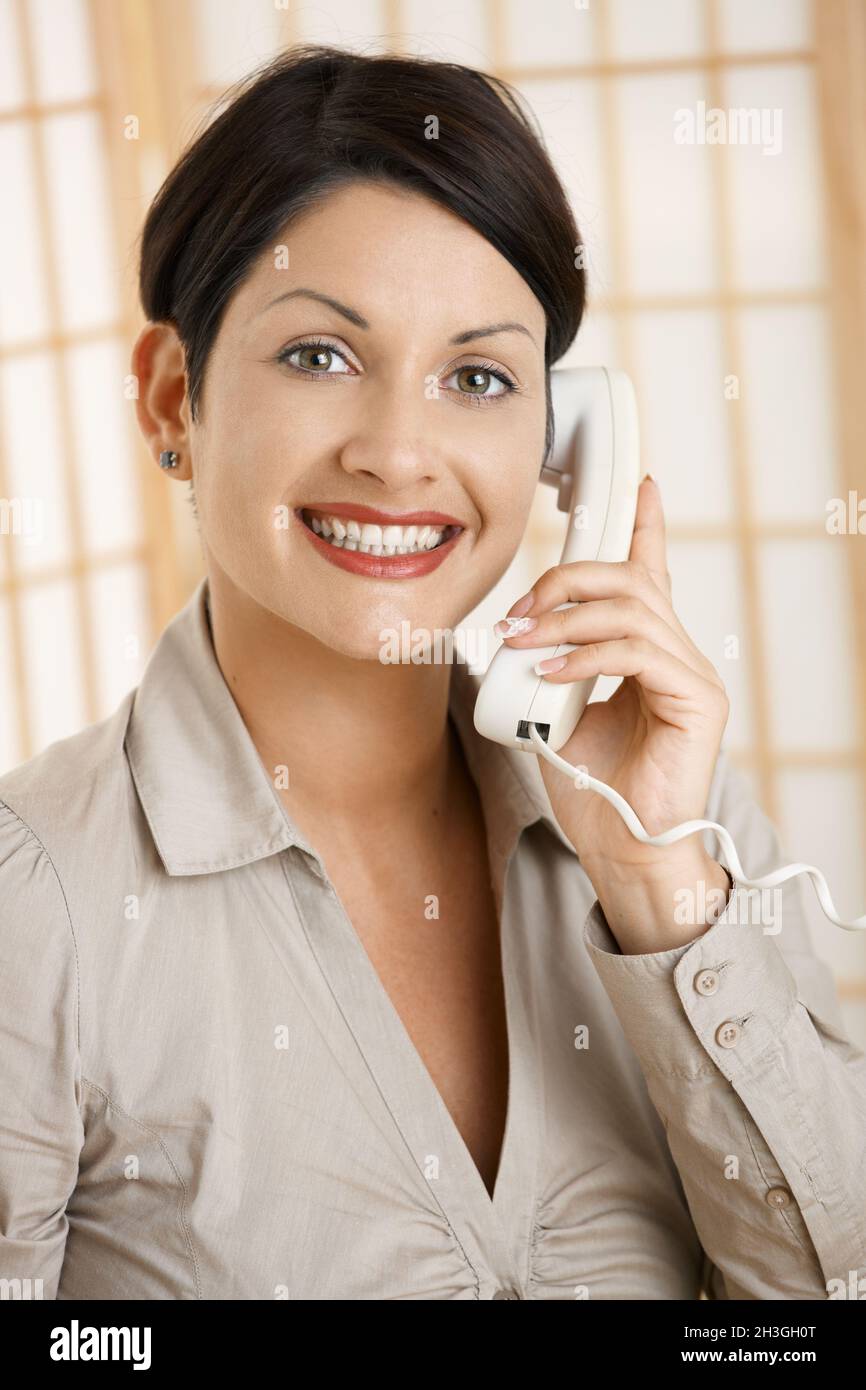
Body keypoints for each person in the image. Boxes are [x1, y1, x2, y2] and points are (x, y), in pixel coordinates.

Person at [1, 44, 863, 1302]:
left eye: (477, 377)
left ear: (565, 443)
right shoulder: (41, 906)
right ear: (174, 398)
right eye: (319, 356)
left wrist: (651, 882)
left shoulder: (673, 826)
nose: (400, 455)